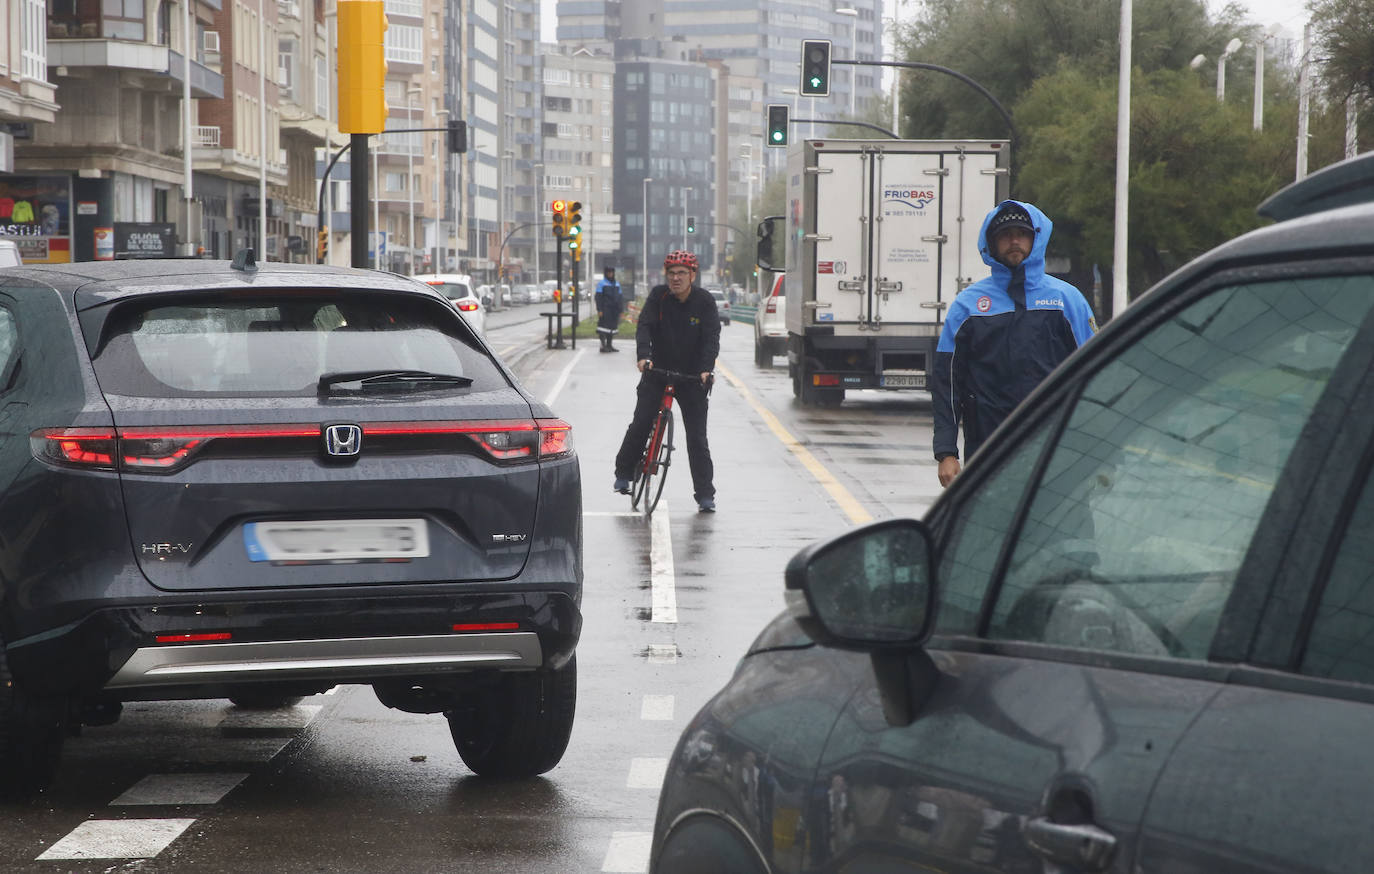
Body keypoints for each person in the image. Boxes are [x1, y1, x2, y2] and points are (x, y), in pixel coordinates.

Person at [931, 200, 1097, 488]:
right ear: (991, 243)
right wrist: (946, 452)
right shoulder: (968, 306)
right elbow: (947, 385)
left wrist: (1099, 448)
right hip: (989, 450)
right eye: (1005, 234)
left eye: (1022, 233)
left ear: (1037, 238)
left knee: (1063, 532)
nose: (1014, 241)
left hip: (1056, 451)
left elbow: (1097, 374)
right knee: (988, 532)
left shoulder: (1067, 301)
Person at [613, 250, 720, 512]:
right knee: (641, 422)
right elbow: (644, 327)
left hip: (692, 377)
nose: (676, 278)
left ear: (693, 275)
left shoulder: (705, 302)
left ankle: (705, 494)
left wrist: (706, 370)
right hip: (657, 371)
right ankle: (624, 473)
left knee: (697, 439)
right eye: (671, 273)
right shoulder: (658, 297)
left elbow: (711, 339)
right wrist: (643, 357)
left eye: (682, 273)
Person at [594, 266, 624, 352]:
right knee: (603, 328)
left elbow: (620, 298)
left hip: (614, 310)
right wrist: (599, 310)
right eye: (608, 272)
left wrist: (621, 310)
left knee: (612, 328)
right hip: (605, 309)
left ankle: (609, 345)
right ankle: (603, 346)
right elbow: (598, 298)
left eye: (611, 272)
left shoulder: (617, 284)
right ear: (606, 273)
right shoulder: (602, 284)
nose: (610, 274)